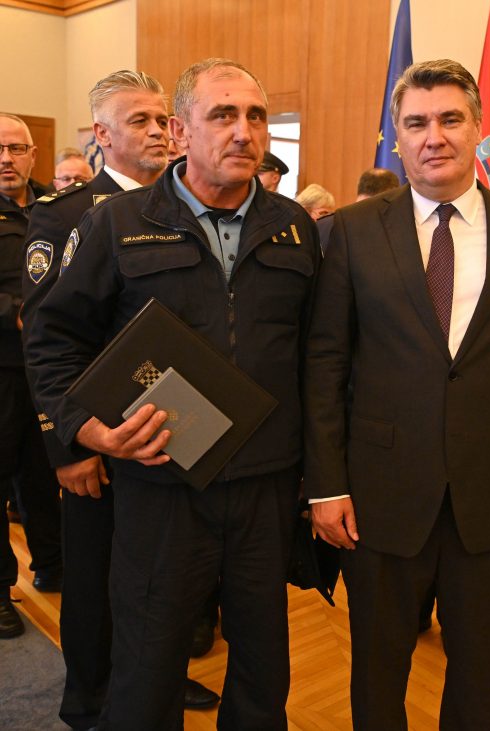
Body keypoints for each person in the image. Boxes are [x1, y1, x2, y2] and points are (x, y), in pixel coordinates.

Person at [25, 58, 319, 730]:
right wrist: (84, 431)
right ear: (181, 132)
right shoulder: (117, 222)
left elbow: (315, 353)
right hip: (161, 479)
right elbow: (53, 338)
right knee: (148, 661)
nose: (244, 131)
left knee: (262, 665)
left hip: (264, 484)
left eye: (255, 116)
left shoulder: (295, 226)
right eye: (223, 115)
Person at [304, 58, 490, 730]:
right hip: (378, 494)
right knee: (378, 664)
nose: (434, 137)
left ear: (478, 128)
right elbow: (326, 362)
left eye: (450, 119)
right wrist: (326, 485)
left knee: (478, 663)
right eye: (417, 123)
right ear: (397, 136)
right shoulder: (354, 229)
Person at [22, 70, 219, 728]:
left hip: (173, 436)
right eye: (140, 121)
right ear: (102, 135)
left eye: (164, 119)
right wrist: (66, 443)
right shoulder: (67, 214)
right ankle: (89, 702)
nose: (159, 131)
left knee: (163, 581)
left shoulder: (190, 206)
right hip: (100, 441)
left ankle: (156, 680)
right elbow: (45, 337)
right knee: (96, 582)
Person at [0, 113, 61, 640]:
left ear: (32, 154)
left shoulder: (54, 207)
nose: (6, 159)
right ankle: (0, 592)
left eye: (16, 149)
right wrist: (14, 312)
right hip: (1, 367)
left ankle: (53, 564)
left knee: (45, 475)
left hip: (48, 368)